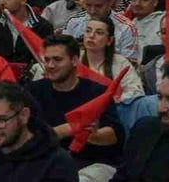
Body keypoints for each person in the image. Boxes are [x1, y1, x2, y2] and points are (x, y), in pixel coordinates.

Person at [25, 34, 123, 166]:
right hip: (43, 162)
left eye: (57, 59)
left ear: (75, 60)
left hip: (90, 163)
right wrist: (68, 129)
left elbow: (114, 136)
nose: (50, 65)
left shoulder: (98, 92)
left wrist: (93, 135)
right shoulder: (33, 91)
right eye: (47, 60)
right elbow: (24, 135)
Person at [79, 14, 144, 101]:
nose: (91, 36)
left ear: (109, 40)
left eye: (99, 33)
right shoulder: (74, 60)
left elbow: (137, 92)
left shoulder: (120, 62)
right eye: (88, 31)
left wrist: (111, 100)